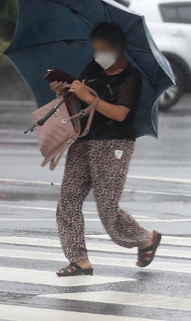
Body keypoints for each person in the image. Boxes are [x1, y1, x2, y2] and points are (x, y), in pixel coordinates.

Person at [50, 22, 161, 276]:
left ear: (119, 47)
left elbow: (120, 114)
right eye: (96, 50)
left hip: (114, 144)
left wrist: (89, 97)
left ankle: (145, 237)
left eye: (104, 50)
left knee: (107, 208)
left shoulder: (130, 76)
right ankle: (79, 260)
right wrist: (66, 92)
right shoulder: (93, 68)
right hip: (84, 138)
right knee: (67, 200)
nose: (99, 55)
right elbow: (83, 100)